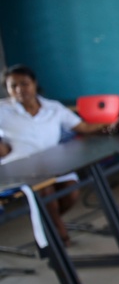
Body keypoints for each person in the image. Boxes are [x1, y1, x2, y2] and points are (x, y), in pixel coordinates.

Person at [0, 65, 110, 243]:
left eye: (24, 84)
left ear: (34, 83)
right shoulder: (3, 110)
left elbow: (82, 127)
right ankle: (58, 231)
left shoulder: (53, 107)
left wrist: (111, 125)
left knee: (71, 190)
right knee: (46, 189)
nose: (19, 90)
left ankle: (47, 222)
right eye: (13, 86)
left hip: (55, 162)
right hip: (19, 167)